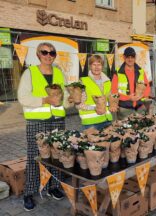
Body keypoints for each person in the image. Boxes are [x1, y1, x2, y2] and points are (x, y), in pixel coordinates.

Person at [18, 42, 66, 211]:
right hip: (37, 121)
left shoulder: (59, 73)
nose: (48, 55)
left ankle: (53, 186)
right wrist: (44, 100)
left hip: (57, 121)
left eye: (52, 52)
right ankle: (29, 192)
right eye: (44, 52)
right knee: (34, 156)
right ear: (38, 55)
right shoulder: (29, 73)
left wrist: (73, 101)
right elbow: (23, 97)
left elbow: (64, 98)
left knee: (56, 155)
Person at [111, 47, 150, 120]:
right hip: (124, 109)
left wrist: (142, 97)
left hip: (140, 108)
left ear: (135, 58)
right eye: (128, 57)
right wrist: (129, 97)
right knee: (127, 131)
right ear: (124, 57)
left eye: (132, 57)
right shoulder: (117, 73)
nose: (130, 59)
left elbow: (147, 88)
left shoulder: (141, 71)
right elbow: (114, 93)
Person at [75, 55, 112, 130]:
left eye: (99, 64)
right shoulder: (83, 82)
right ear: (90, 66)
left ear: (102, 66)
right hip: (91, 123)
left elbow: (111, 100)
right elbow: (78, 105)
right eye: (94, 65)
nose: (97, 67)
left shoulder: (108, 82)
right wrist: (95, 108)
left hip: (107, 120)